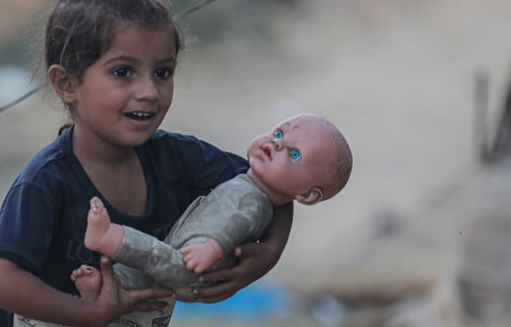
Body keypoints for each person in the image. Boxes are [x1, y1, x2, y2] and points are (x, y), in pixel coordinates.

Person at [0, 0, 293, 327]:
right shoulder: (47, 183)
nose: (149, 90)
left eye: (162, 71)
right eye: (123, 72)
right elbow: (0, 279)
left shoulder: (178, 160)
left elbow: (274, 184)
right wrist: (93, 314)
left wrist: (268, 252)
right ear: (66, 85)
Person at [72, 113, 352, 302]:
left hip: (196, 267)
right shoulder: (239, 176)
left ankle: (111, 238)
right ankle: (103, 288)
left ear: (307, 194)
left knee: (153, 256)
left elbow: (236, 224)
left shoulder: (257, 202)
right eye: (278, 132)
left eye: (294, 154)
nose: (276, 143)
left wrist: (213, 248)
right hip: (188, 253)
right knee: (148, 275)